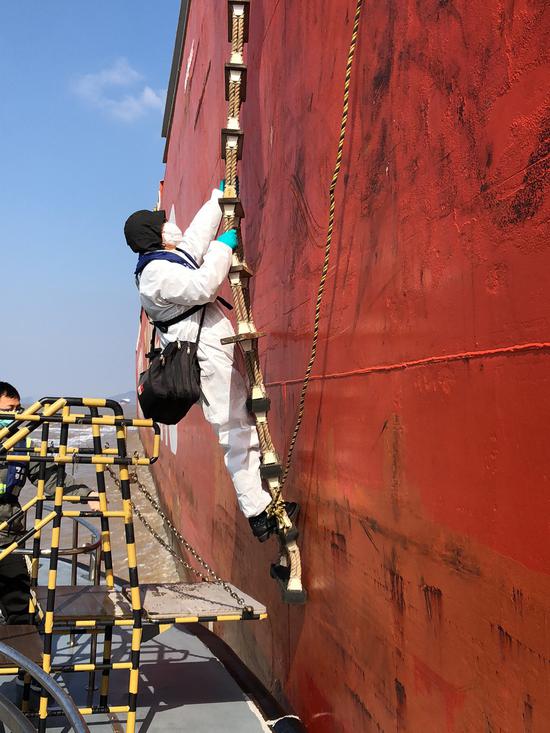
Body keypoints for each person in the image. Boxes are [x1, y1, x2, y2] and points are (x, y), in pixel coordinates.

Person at [124, 188, 296, 542]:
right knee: (235, 431)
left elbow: (193, 240)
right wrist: (225, 246)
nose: (170, 226)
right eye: (162, 225)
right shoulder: (156, 272)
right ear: (153, 236)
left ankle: (260, 508)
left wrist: (219, 197)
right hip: (203, 358)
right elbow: (203, 286)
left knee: (238, 425)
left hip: (210, 351)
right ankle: (260, 513)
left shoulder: (163, 260)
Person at [0, 382, 96, 623]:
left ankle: (20, 654)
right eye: (10, 409)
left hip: (8, 537)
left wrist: (88, 495)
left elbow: (52, 480)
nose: (17, 415)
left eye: (18, 409)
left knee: (19, 606)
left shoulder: (21, 445)